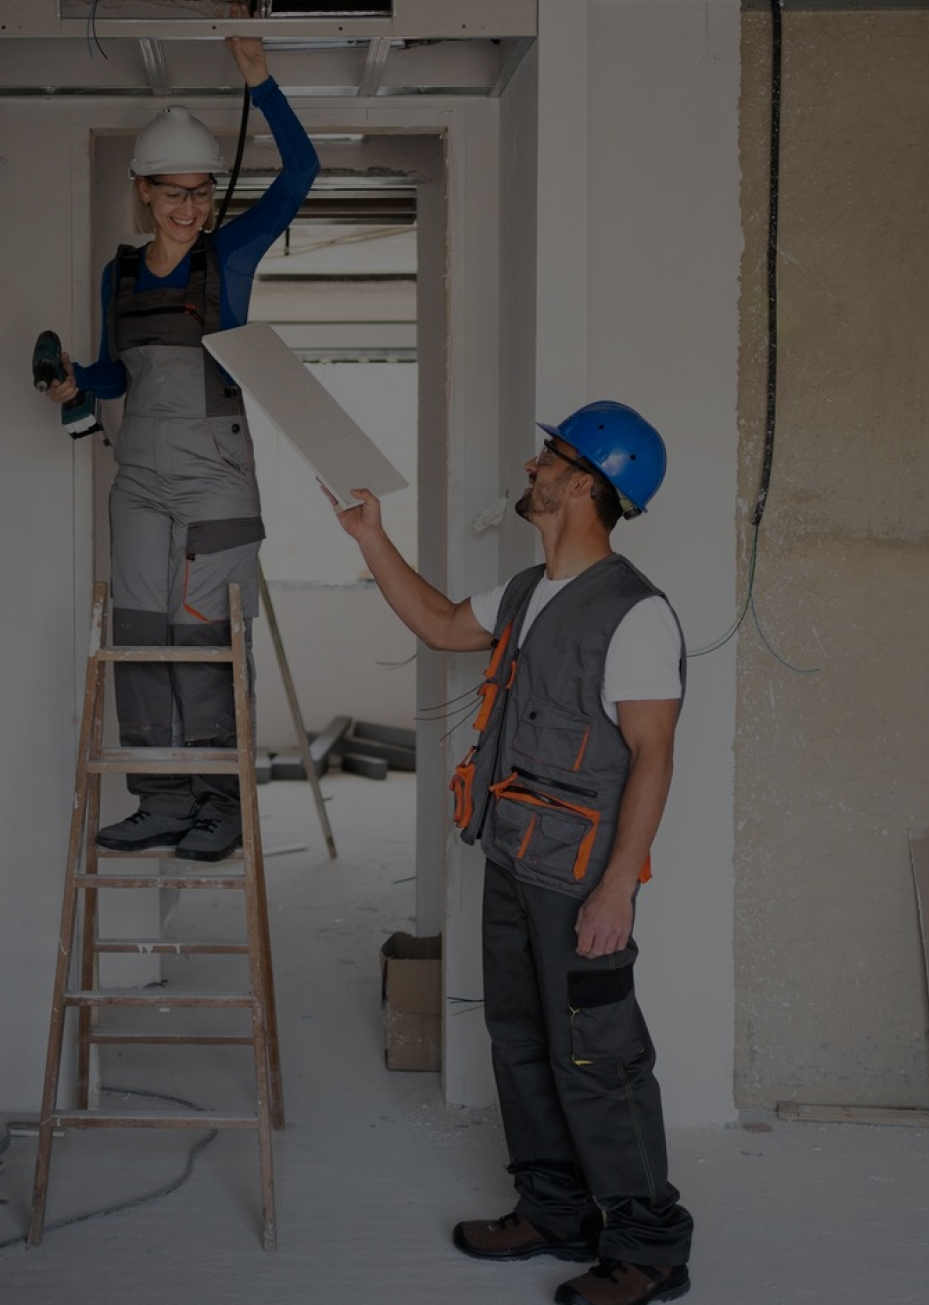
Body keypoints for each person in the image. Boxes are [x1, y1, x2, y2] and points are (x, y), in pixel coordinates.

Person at [330, 401, 694, 1305]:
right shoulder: (529, 592)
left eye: (550, 457)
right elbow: (439, 623)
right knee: (521, 1039)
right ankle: (555, 1210)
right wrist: (371, 537)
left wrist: (617, 887)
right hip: (512, 856)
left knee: (599, 1056)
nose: (533, 467)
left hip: (581, 878)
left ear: (587, 484)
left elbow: (653, 754)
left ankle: (649, 1248)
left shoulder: (635, 613)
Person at [44, 36, 319, 863]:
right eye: (174, 193)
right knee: (137, 634)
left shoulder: (227, 257)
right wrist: (76, 381)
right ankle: (161, 799)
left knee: (204, 641)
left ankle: (219, 803)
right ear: (144, 189)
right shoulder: (120, 276)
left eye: (201, 192)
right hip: (139, 479)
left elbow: (300, 174)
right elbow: (116, 375)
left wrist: (261, 81)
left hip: (214, 479)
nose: (190, 208)